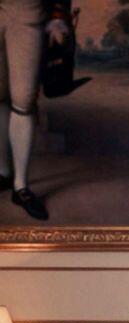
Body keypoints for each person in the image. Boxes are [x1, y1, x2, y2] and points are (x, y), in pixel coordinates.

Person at [0, 0, 70, 221]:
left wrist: (58, 14)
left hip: (28, 10)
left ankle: (20, 187)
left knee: (23, 99)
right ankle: (3, 172)